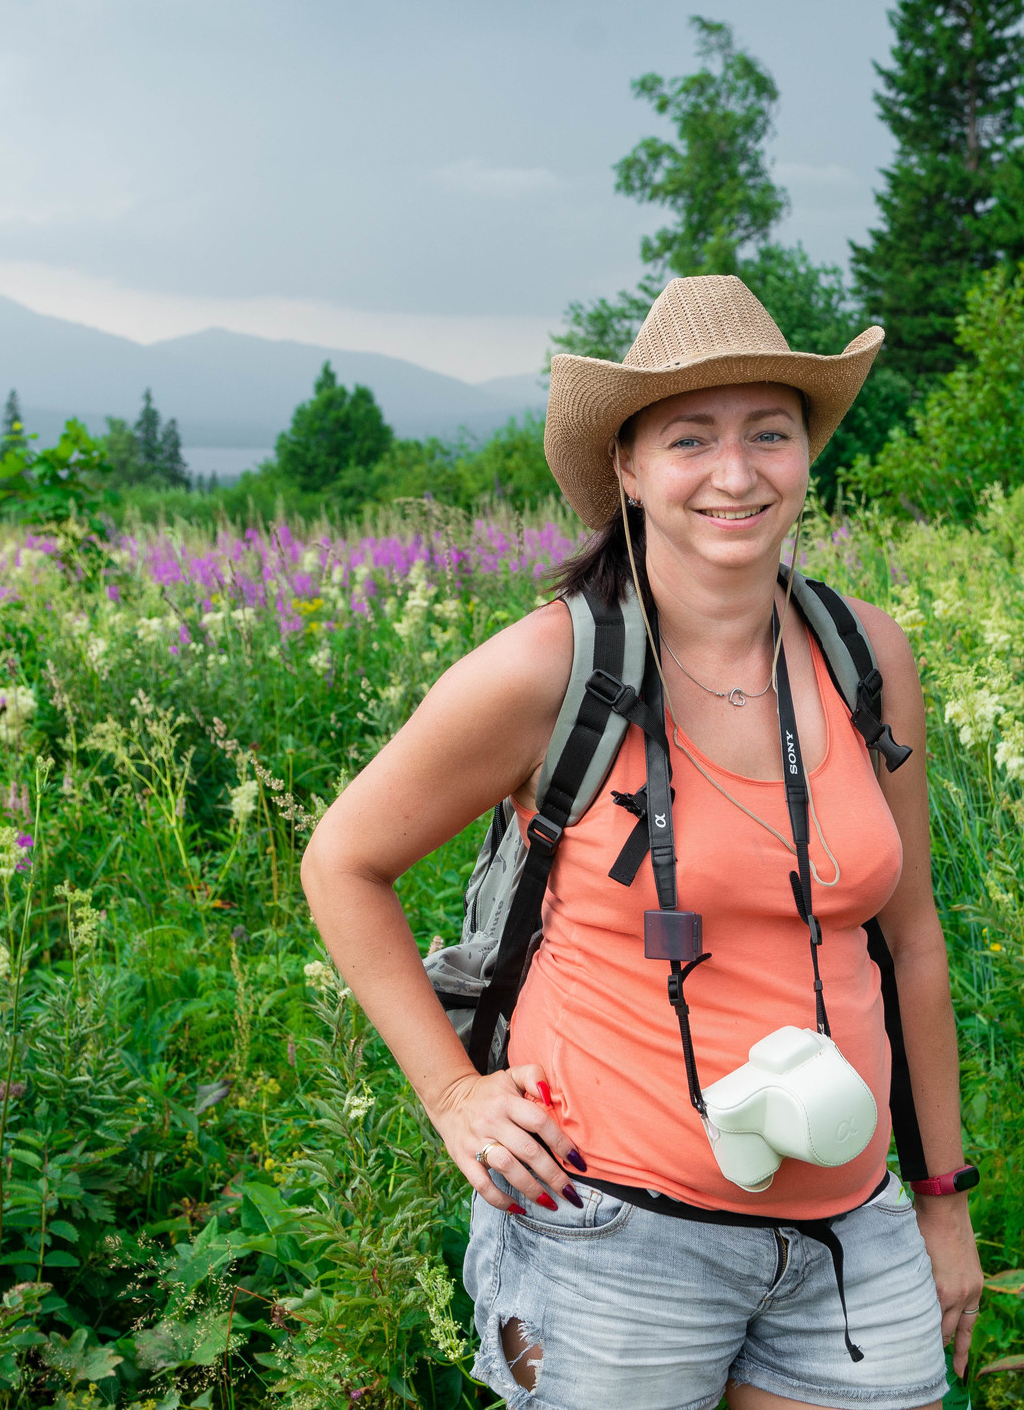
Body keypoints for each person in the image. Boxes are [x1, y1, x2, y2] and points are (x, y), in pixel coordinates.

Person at [302, 275, 979, 1409]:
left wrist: (939, 1199)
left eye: (771, 432)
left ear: (806, 453)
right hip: (608, 1234)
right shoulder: (548, 670)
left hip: (850, 1235)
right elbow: (342, 861)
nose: (735, 471)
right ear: (625, 468)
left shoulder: (869, 656)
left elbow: (909, 940)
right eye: (689, 438)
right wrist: (452, 1095)